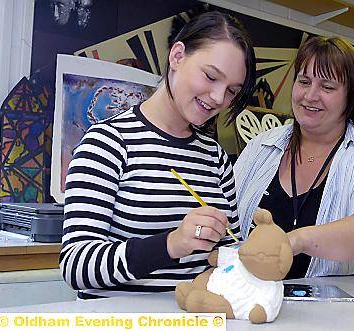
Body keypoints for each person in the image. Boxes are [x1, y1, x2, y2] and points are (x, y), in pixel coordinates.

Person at [60, 11, 256, 299]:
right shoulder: (108, 143)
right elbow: (76, 265)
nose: (218, 98)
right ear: (177, 56)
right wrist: (171, 244)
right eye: (211, 77)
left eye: (231, 91)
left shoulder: (215, 158)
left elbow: (229, 254)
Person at [234, 36, 354, 278]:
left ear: (351, 95)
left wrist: (294, 241)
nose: (310, 95)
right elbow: (226, 211)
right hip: (258, 300)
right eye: (304, 81)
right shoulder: (261, 145)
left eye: (327, 87)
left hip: (344, 309)